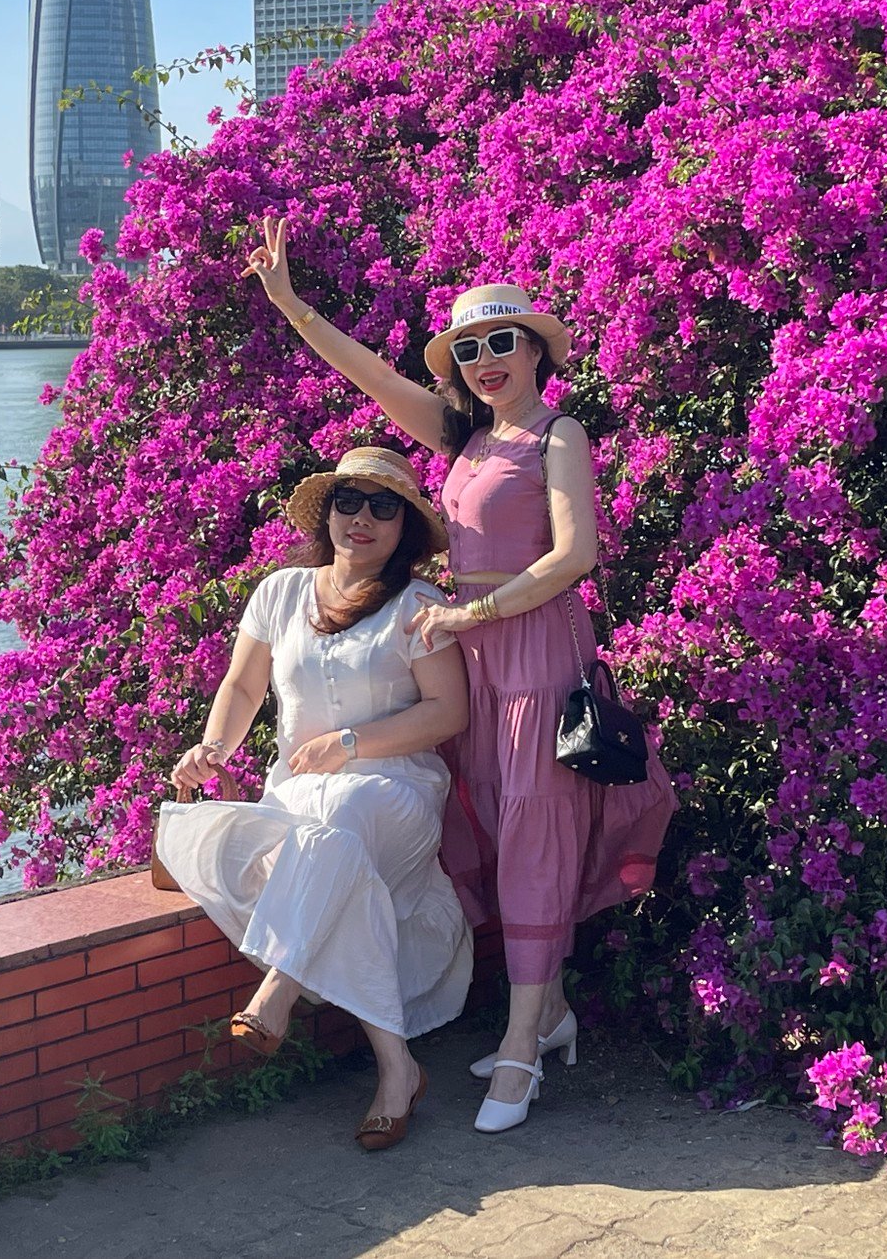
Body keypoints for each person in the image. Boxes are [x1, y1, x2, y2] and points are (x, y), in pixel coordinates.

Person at [243, 213, 677, 1133]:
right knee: (500, 825)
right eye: (469, 348)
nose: (485, 360)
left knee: (533, 834)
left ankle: (521, 1048)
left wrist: (472, 611)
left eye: (502, 343)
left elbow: (575, 557)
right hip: (473, 653)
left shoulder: (557, 433)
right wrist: (292, 306)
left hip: (532, 647)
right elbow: (366, 373)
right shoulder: (466, 438)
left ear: (534, 353)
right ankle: (548, 1013)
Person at [152, 446, 472, 1152]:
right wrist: (215, 748)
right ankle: (398, 1070)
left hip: (398, 791)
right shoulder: (281, 592)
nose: (363, 519)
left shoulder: (419, 605)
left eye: (384, 507)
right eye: (349, 502)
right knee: (334, 843)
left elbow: (449, 712)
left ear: (406, 528)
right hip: (302, 799)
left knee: (346, 816)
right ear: (327, 512)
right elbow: (241, 687)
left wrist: (350, 746)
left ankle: (278, 988)